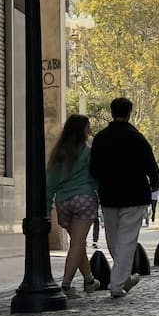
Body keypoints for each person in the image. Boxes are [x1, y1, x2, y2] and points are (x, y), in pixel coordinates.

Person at [89, 97, 159, 298]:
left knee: (113, 239)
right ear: (129, 113)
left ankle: (122, 278)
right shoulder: (137, 138)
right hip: (134, 195)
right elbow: (150, 163)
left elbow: (94, 169)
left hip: (109, 195)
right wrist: (155, 183)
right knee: (127, 240)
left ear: (111, 112)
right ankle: (118, 283)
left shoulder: (100, 138)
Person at [46, 114, 101, 298]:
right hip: (84, 199)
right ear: (81, 131)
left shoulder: (58, 154)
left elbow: (49, 182)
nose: (89, 131)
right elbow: (95, 177)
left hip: (63, 202)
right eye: (87, 128)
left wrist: (47, 208)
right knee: (78, 243)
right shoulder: (87, 152)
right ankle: (66, 285)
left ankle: (89, 281)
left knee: (78, 243)